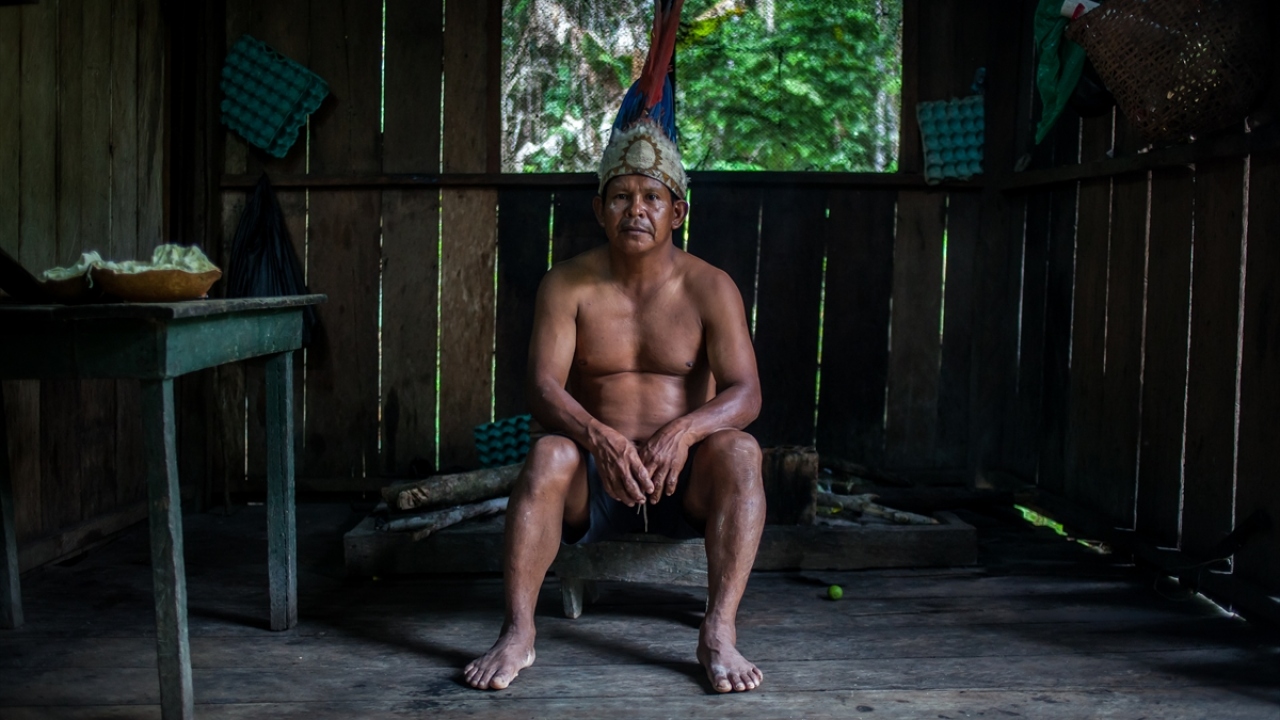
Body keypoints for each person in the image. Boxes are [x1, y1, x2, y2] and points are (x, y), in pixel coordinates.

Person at [463, 95, 766, 696]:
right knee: (548, 454)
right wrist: (598, 438)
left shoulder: (711, 287)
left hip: (684, 480)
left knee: (741, 451)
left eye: (651, 197)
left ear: (676, 210)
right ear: (600, 209)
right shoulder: (567, 284)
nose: (637, 210)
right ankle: (518, 630)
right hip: (595, 482)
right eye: (622, 197)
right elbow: (544, 388)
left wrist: (682, 432)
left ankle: (719, 631)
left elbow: (747, 392)